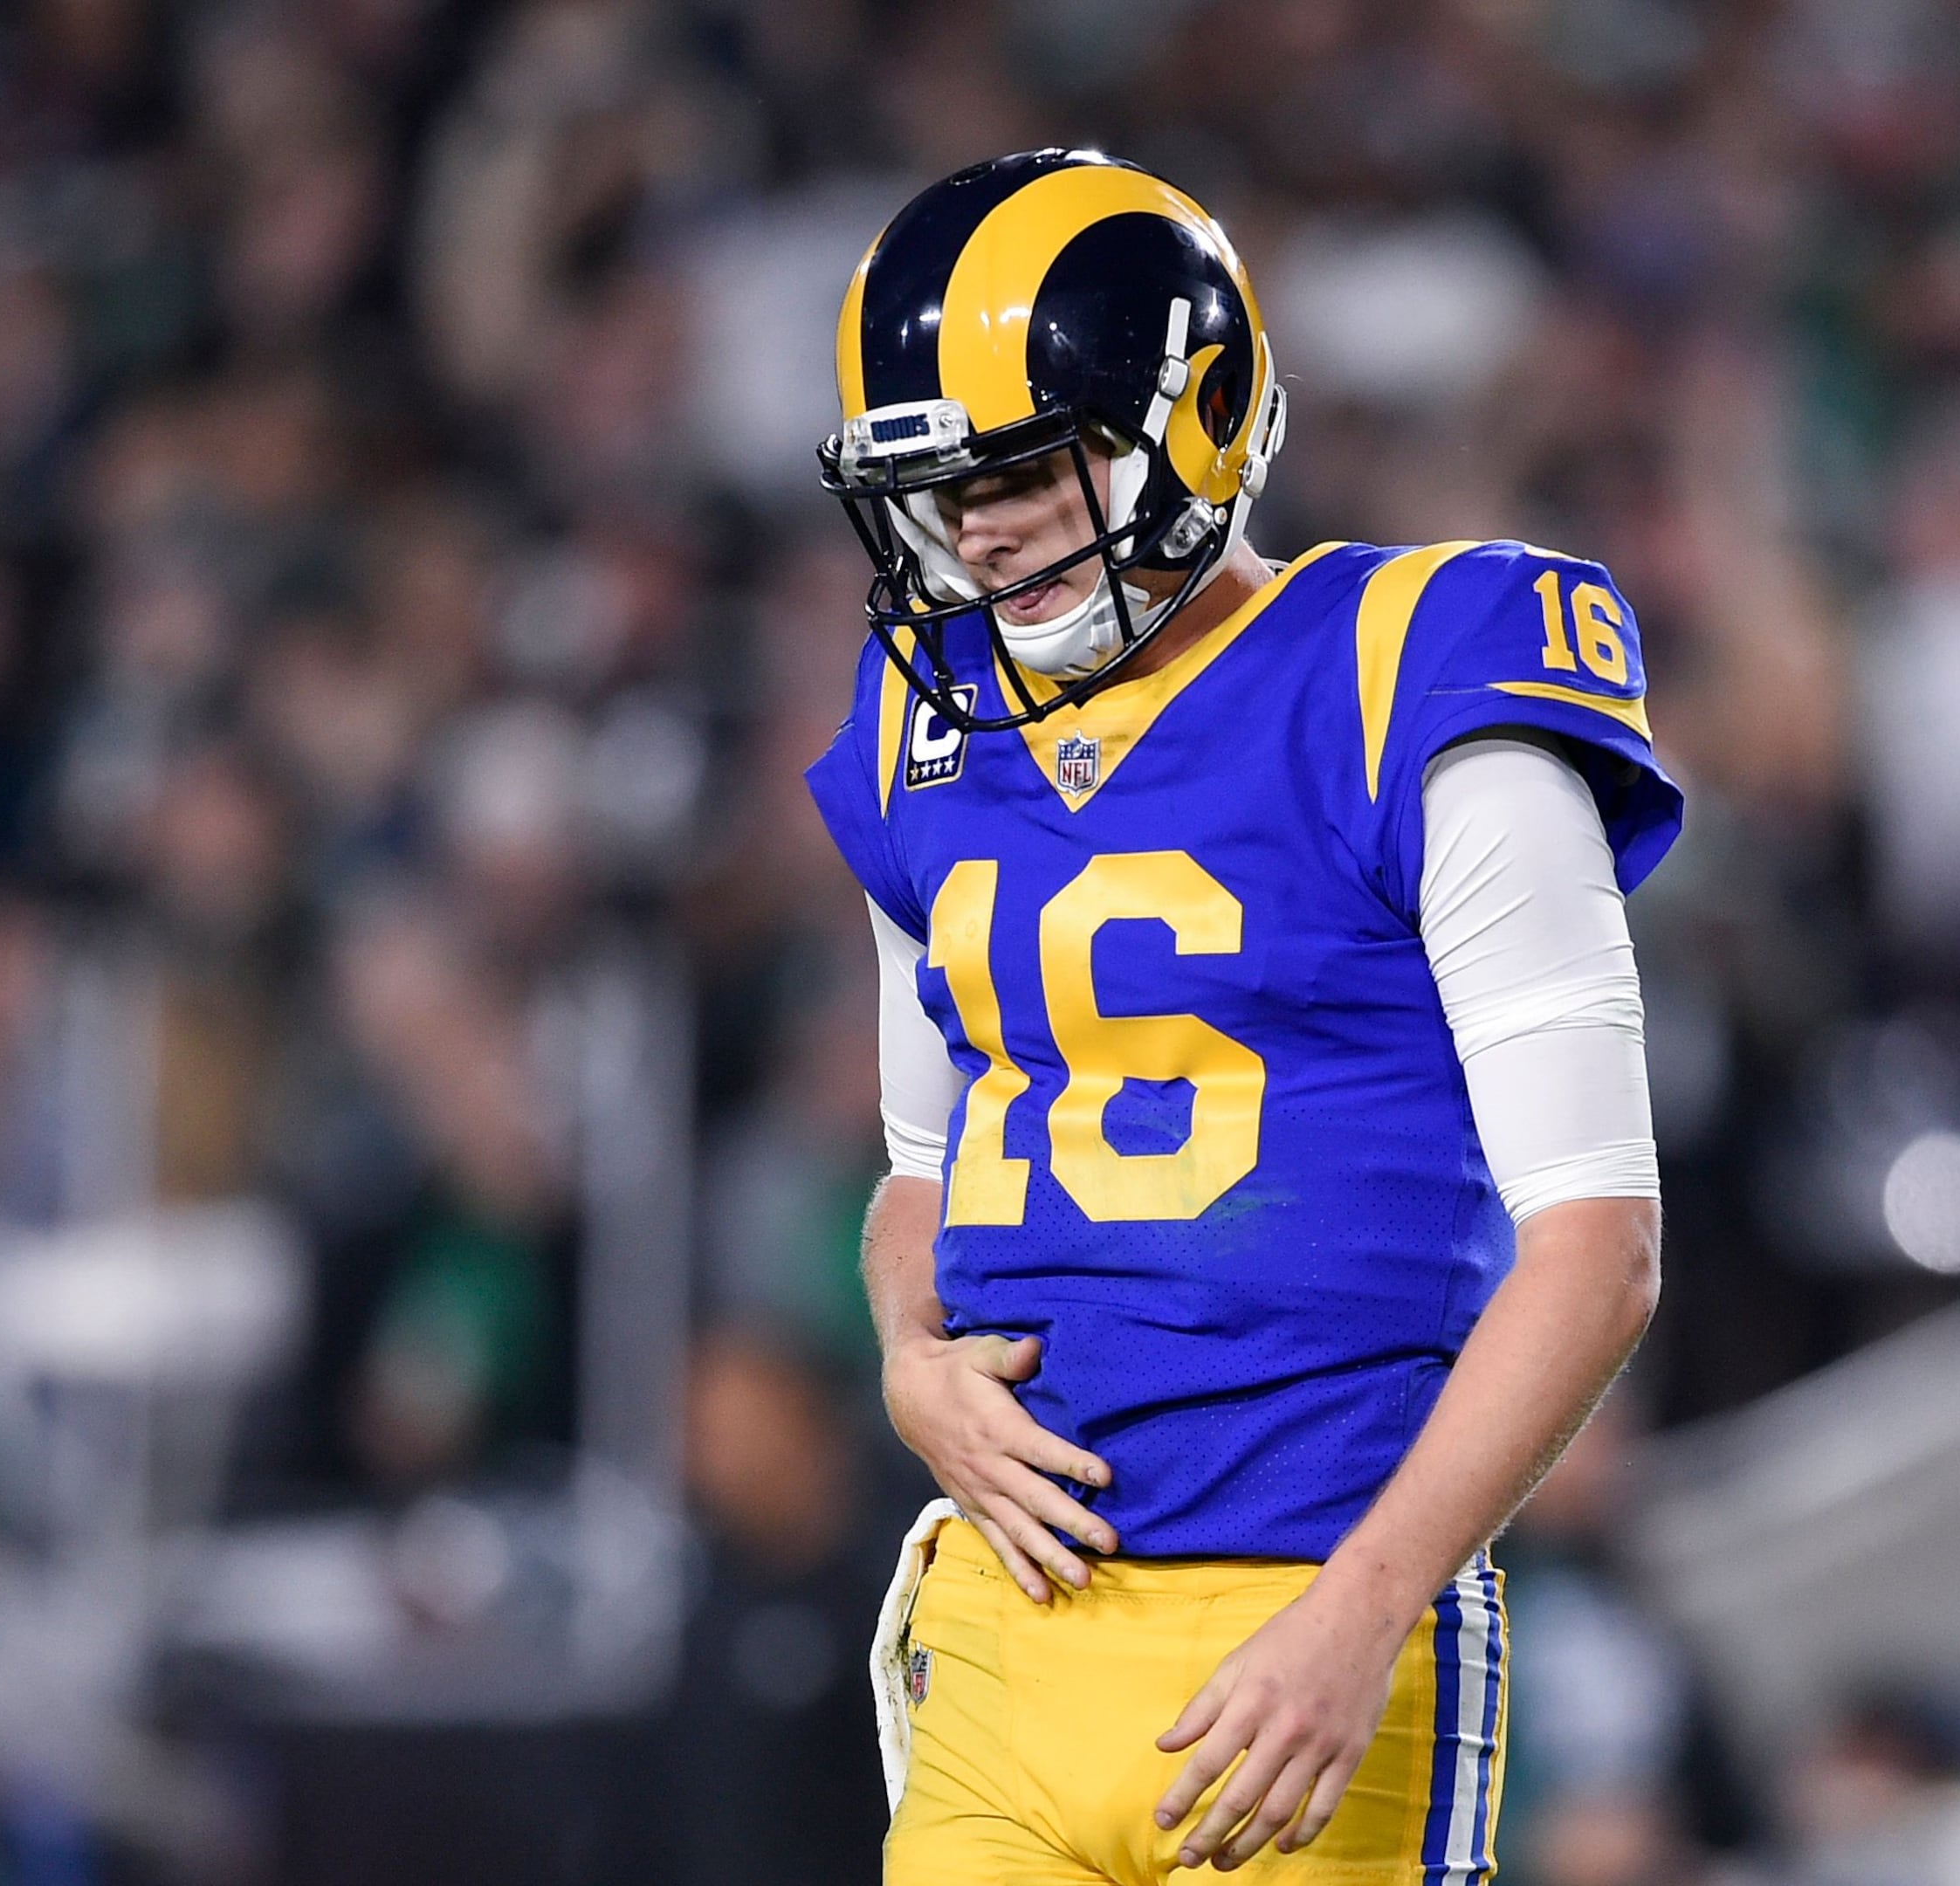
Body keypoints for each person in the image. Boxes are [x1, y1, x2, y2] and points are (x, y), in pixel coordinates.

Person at [801, 149, 1679, 1881]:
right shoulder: (928, 723)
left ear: (1188, 420)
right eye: (939, 487)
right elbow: (925, 1171)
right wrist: (911, 1361)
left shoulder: (1409, 666)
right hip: (1000, 1627)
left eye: (1021, 470)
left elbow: (1600, 1248)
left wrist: (1371, 1608)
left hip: (1302, 1621)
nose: (976, 530)